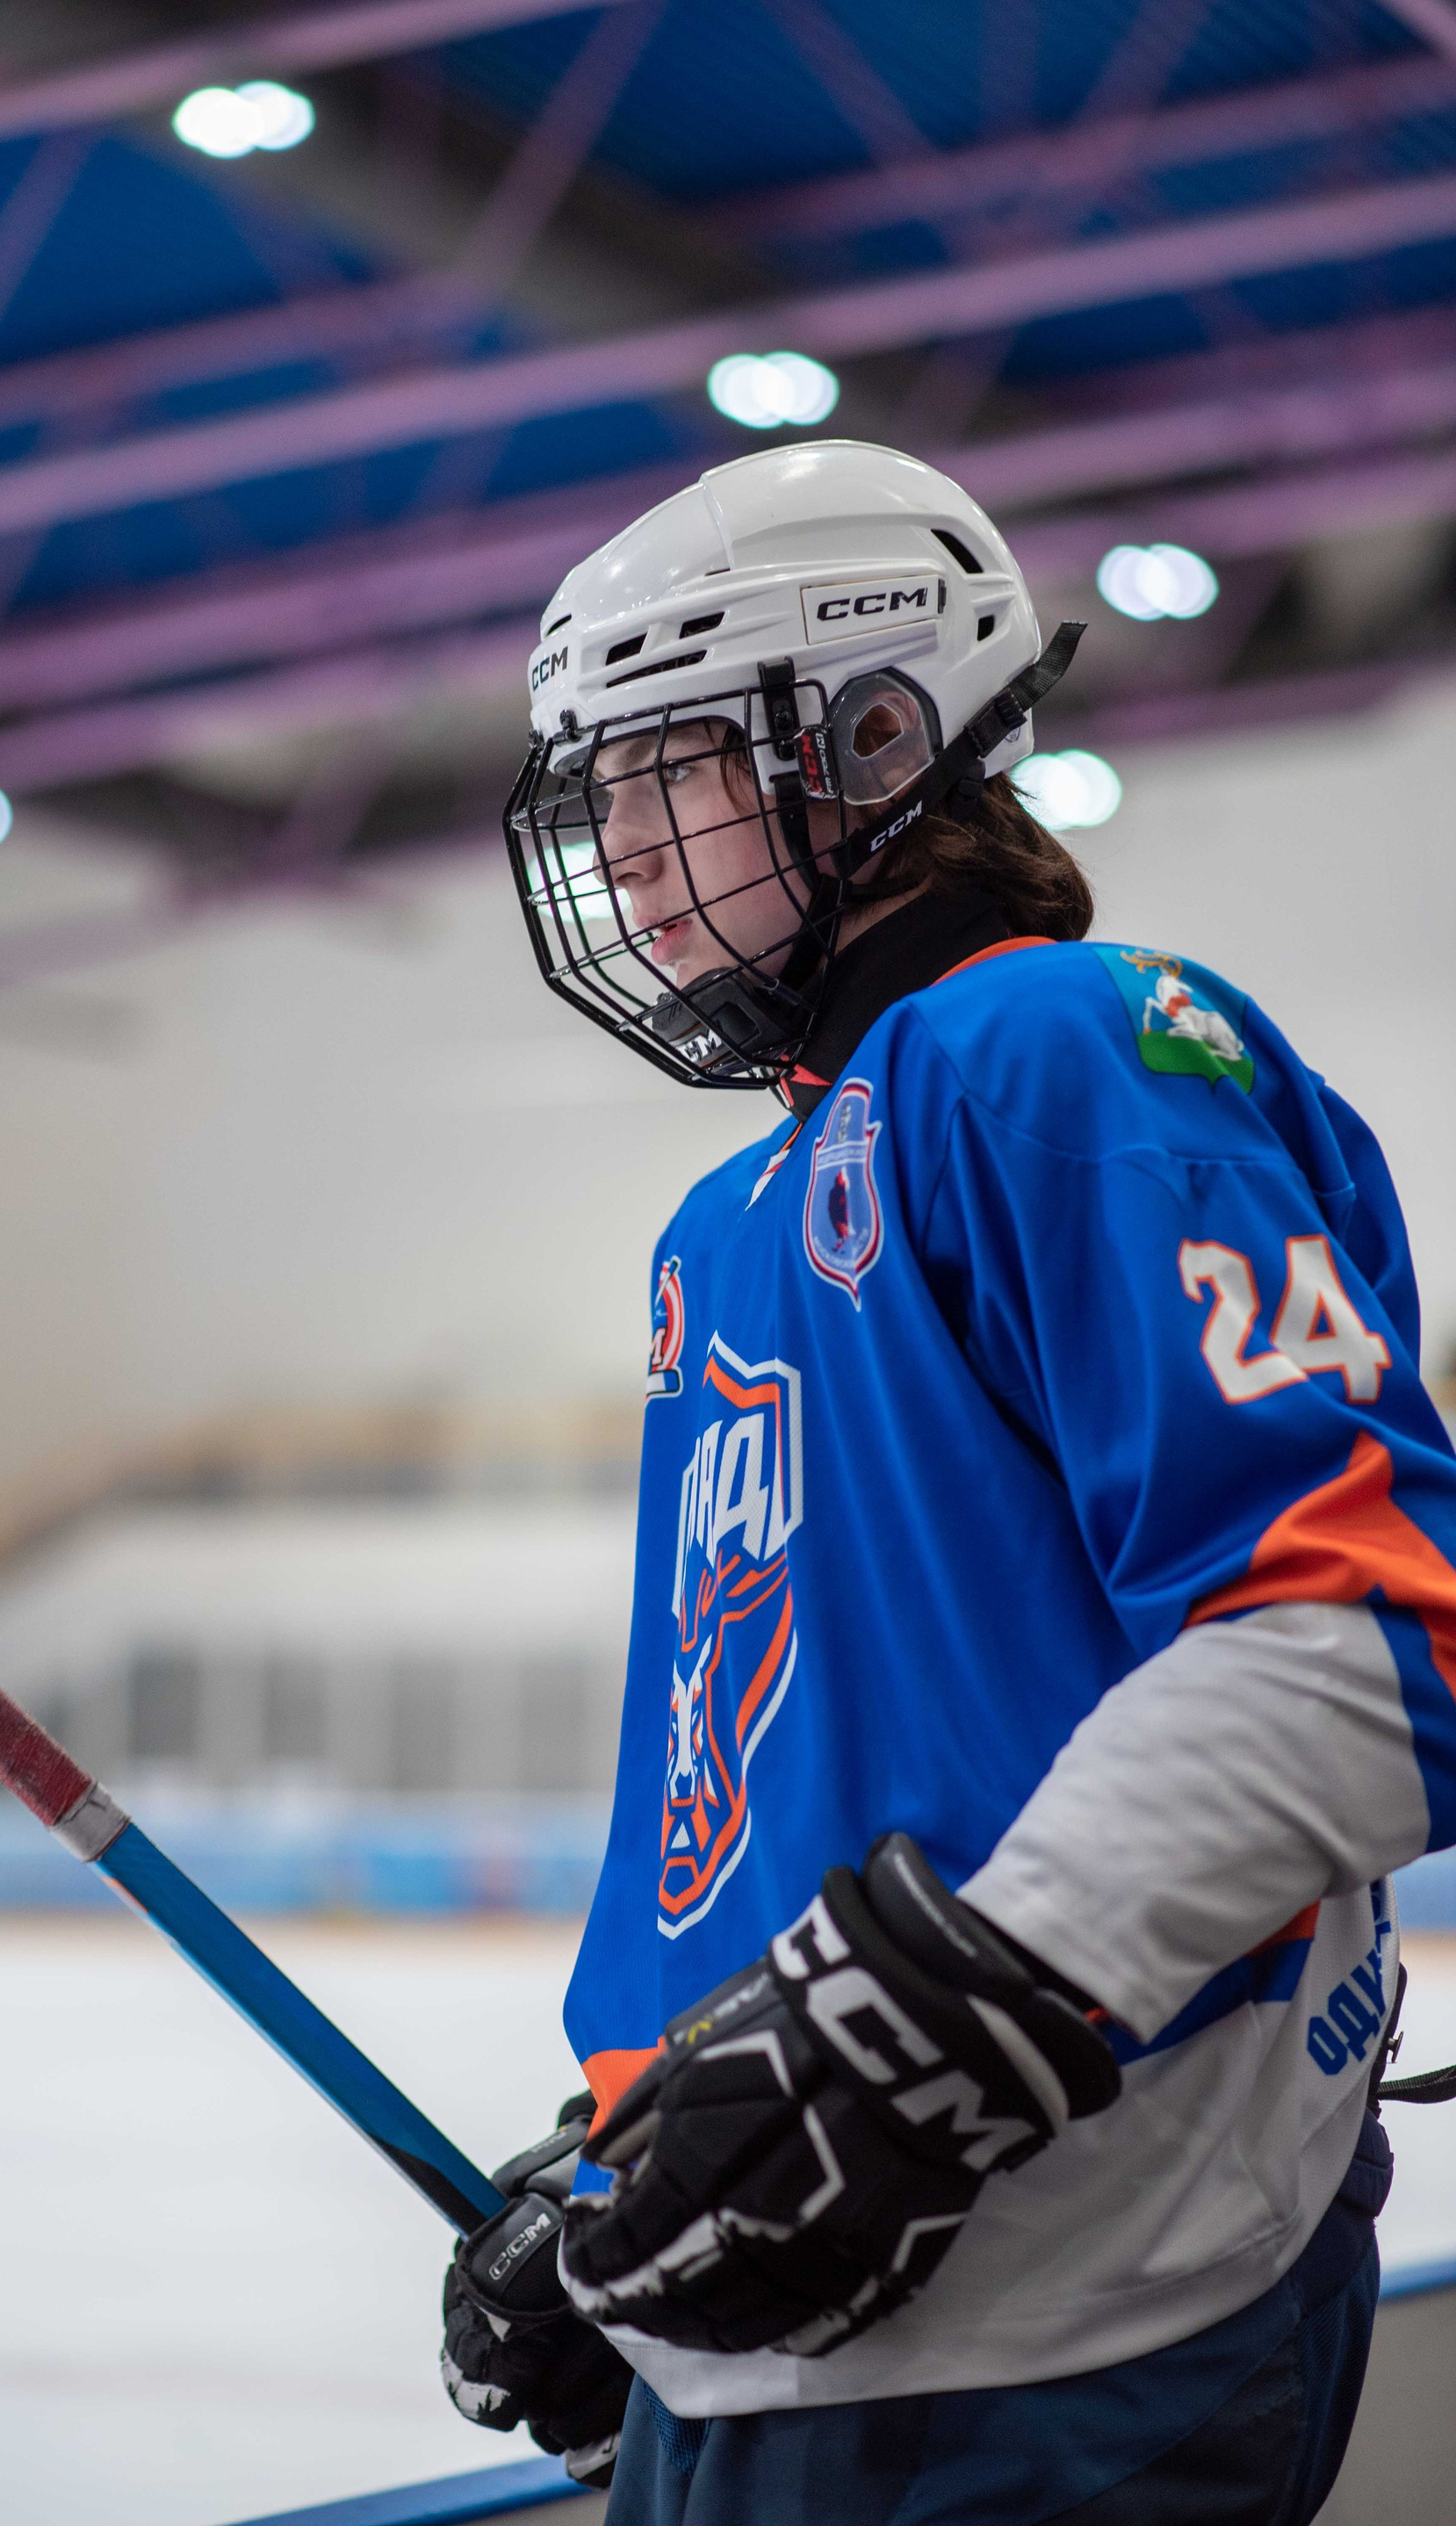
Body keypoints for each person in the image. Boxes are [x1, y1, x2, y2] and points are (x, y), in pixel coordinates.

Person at [439, 439, 1456, 2522]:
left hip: (1072, 2326)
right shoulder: (728, 1223)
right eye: (599, 796)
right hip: (778, 2348)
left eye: (667, 773)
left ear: (878, 735)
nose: (619, 851)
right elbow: (788, 1781)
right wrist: (637, 2147)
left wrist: (925, 2030)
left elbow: (1367, 1637)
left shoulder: (1063, 1044)